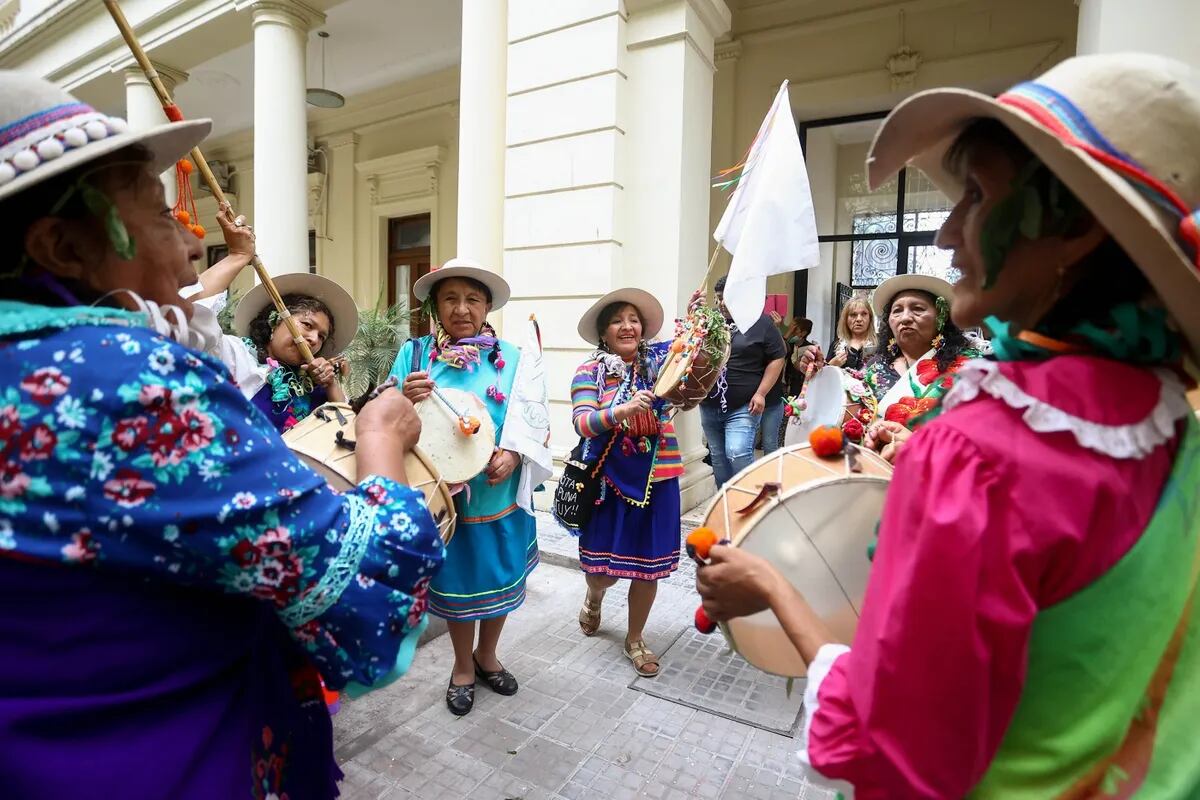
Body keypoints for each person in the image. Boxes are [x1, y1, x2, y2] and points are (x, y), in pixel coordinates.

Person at [696, 53, 1200, 798]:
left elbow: (891, 758)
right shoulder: (1177, 431)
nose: (946, 235)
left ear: (1074, 229)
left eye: (976, 195)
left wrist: (772, 584)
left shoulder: (980, 452)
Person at [0, 71, 443, 798]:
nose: (187, 243)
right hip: (161, 762)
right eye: (159, 214)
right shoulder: (130, 380)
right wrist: (383, 442)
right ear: (63, 248)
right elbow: (355, 577)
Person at [390, 257, 549, 717]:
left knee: (499, 577)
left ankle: (488, 655)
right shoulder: (415, 356)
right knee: (459, 585)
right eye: (451, 299)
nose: (462, 308)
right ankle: (462, 665)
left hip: (499, 495)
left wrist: (516, 454)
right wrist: (403, 395)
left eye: (472, 299)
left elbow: (533, 419)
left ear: (486, 307)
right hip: (445, 502)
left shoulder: (514, 359)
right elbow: (383, 415)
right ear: (436, 307)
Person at [569, 288, 691, 677]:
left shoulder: (659, 364)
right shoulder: (590, 371)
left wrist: (698, 323)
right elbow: (582, 422)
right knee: (601, 571)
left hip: (659, 478)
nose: (628, 326)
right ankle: (594, 596)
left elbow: (692, 370)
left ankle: (635, 637)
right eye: (618, 320)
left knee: (649, 567)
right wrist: (621, 410)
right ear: (604, 333)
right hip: (609, 483)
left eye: (634, 319)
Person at [234, 272, 358, 433]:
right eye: (307, 325)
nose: (314, 339)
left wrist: (330, 384)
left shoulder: (314, 386)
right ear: (275, 321)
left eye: (322, 336)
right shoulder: (239, 358)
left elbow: (346, 430)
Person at [862, 273, 982, 426]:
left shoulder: (970, 365)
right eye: (897, 310)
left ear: (941, 316)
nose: (905, 318)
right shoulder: (874, 368)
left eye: (917, 309)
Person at [700, 275, 787, 485]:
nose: (721, 303)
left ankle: (749, 501)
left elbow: (778, 357)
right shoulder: (708, 320)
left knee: (737, 452)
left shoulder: (761, 322)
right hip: (708, 403)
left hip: (744, 405)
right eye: (718, 298)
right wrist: (693, 312)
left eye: (727, 298)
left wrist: (761, 393)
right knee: (719, 459)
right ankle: (725, 506)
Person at [826, 296, 877, 372]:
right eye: (853, 315)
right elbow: (824, 377)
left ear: (870, 317)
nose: (859, 319)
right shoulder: (836, 346)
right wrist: (831, 366)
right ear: (846, 319)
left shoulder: (880, 345)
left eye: (864, 314)